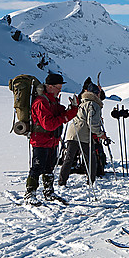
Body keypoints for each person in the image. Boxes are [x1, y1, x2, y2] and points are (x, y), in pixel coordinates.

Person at [25, 72, 78, 205]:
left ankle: (49, 192)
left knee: (49, 167)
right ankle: (30, 193)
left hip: (51, 140)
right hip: (41, 140)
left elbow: (62, 114)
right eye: (58, 87)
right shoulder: (41, 102)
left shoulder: (52, 101)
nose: (60, 90)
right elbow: (48, 124)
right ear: (49, 86)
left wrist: (73, 109)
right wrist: (65, 117)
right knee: (37, 167)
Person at [58, 79, 108, 187]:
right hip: (84, 135)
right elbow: (92, 123)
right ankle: (91, 181)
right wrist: (100, 134)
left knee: (69, 158)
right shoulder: (94, 105)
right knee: (91, 158)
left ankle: (62, 181)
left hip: (73, 132)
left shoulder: (82, 102)